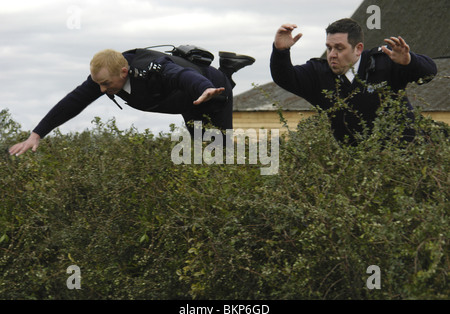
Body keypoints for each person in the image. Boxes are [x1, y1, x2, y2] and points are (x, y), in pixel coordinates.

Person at [9, 46, 255, 156]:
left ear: (124, 72)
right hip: (185, 101)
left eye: (106, 84)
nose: (103, 90)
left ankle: (226, 72)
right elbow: (73, 102)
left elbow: (182, 75)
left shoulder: (151, 68)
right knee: (203, 152)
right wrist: (36, 134)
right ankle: (228, 69)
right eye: (99, 85)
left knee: (219, 154)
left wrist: (206, 88)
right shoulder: (103, 78)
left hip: (208, 91)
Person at [270, 18, 438, 145]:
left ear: (358, 49)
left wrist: (409, 61)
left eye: (339, 48)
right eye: (329, 48)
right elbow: (285, 78)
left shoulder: (384, 61)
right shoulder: (318, 73)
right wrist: (280, 52)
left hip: (405, 161)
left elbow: (429, 73)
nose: (332, 54)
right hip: (355, 169)